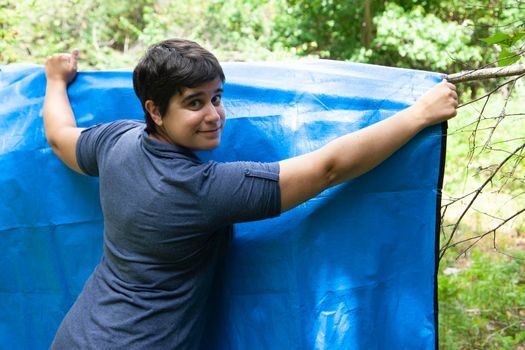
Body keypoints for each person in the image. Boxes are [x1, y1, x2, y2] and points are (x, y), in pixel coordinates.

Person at [44, 39, 458, 349]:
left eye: (217, 98)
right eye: (194, 103)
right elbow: (327, 168)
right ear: (155, 110)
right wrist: (420, 114)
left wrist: (54, 80)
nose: (214, 115)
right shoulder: (202, 190)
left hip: (76, 336)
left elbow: (61, 138)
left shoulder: (117, 140)